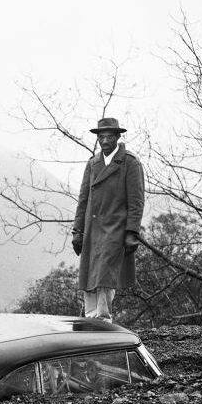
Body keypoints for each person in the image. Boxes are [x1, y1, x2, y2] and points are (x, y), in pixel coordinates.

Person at [71, 117, 145, 321]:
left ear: (118, 137)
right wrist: (78, 231)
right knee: (88, 275)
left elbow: (136, 200)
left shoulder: (130, 162)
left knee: (104, 275)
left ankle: (103, 321)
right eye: (101, 137)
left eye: (109, 137)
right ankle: (90, 319)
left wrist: (132, 232)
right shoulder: (93, 163)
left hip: (115, 228)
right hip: (92, 228)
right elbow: (83, 198)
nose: (104, 141)